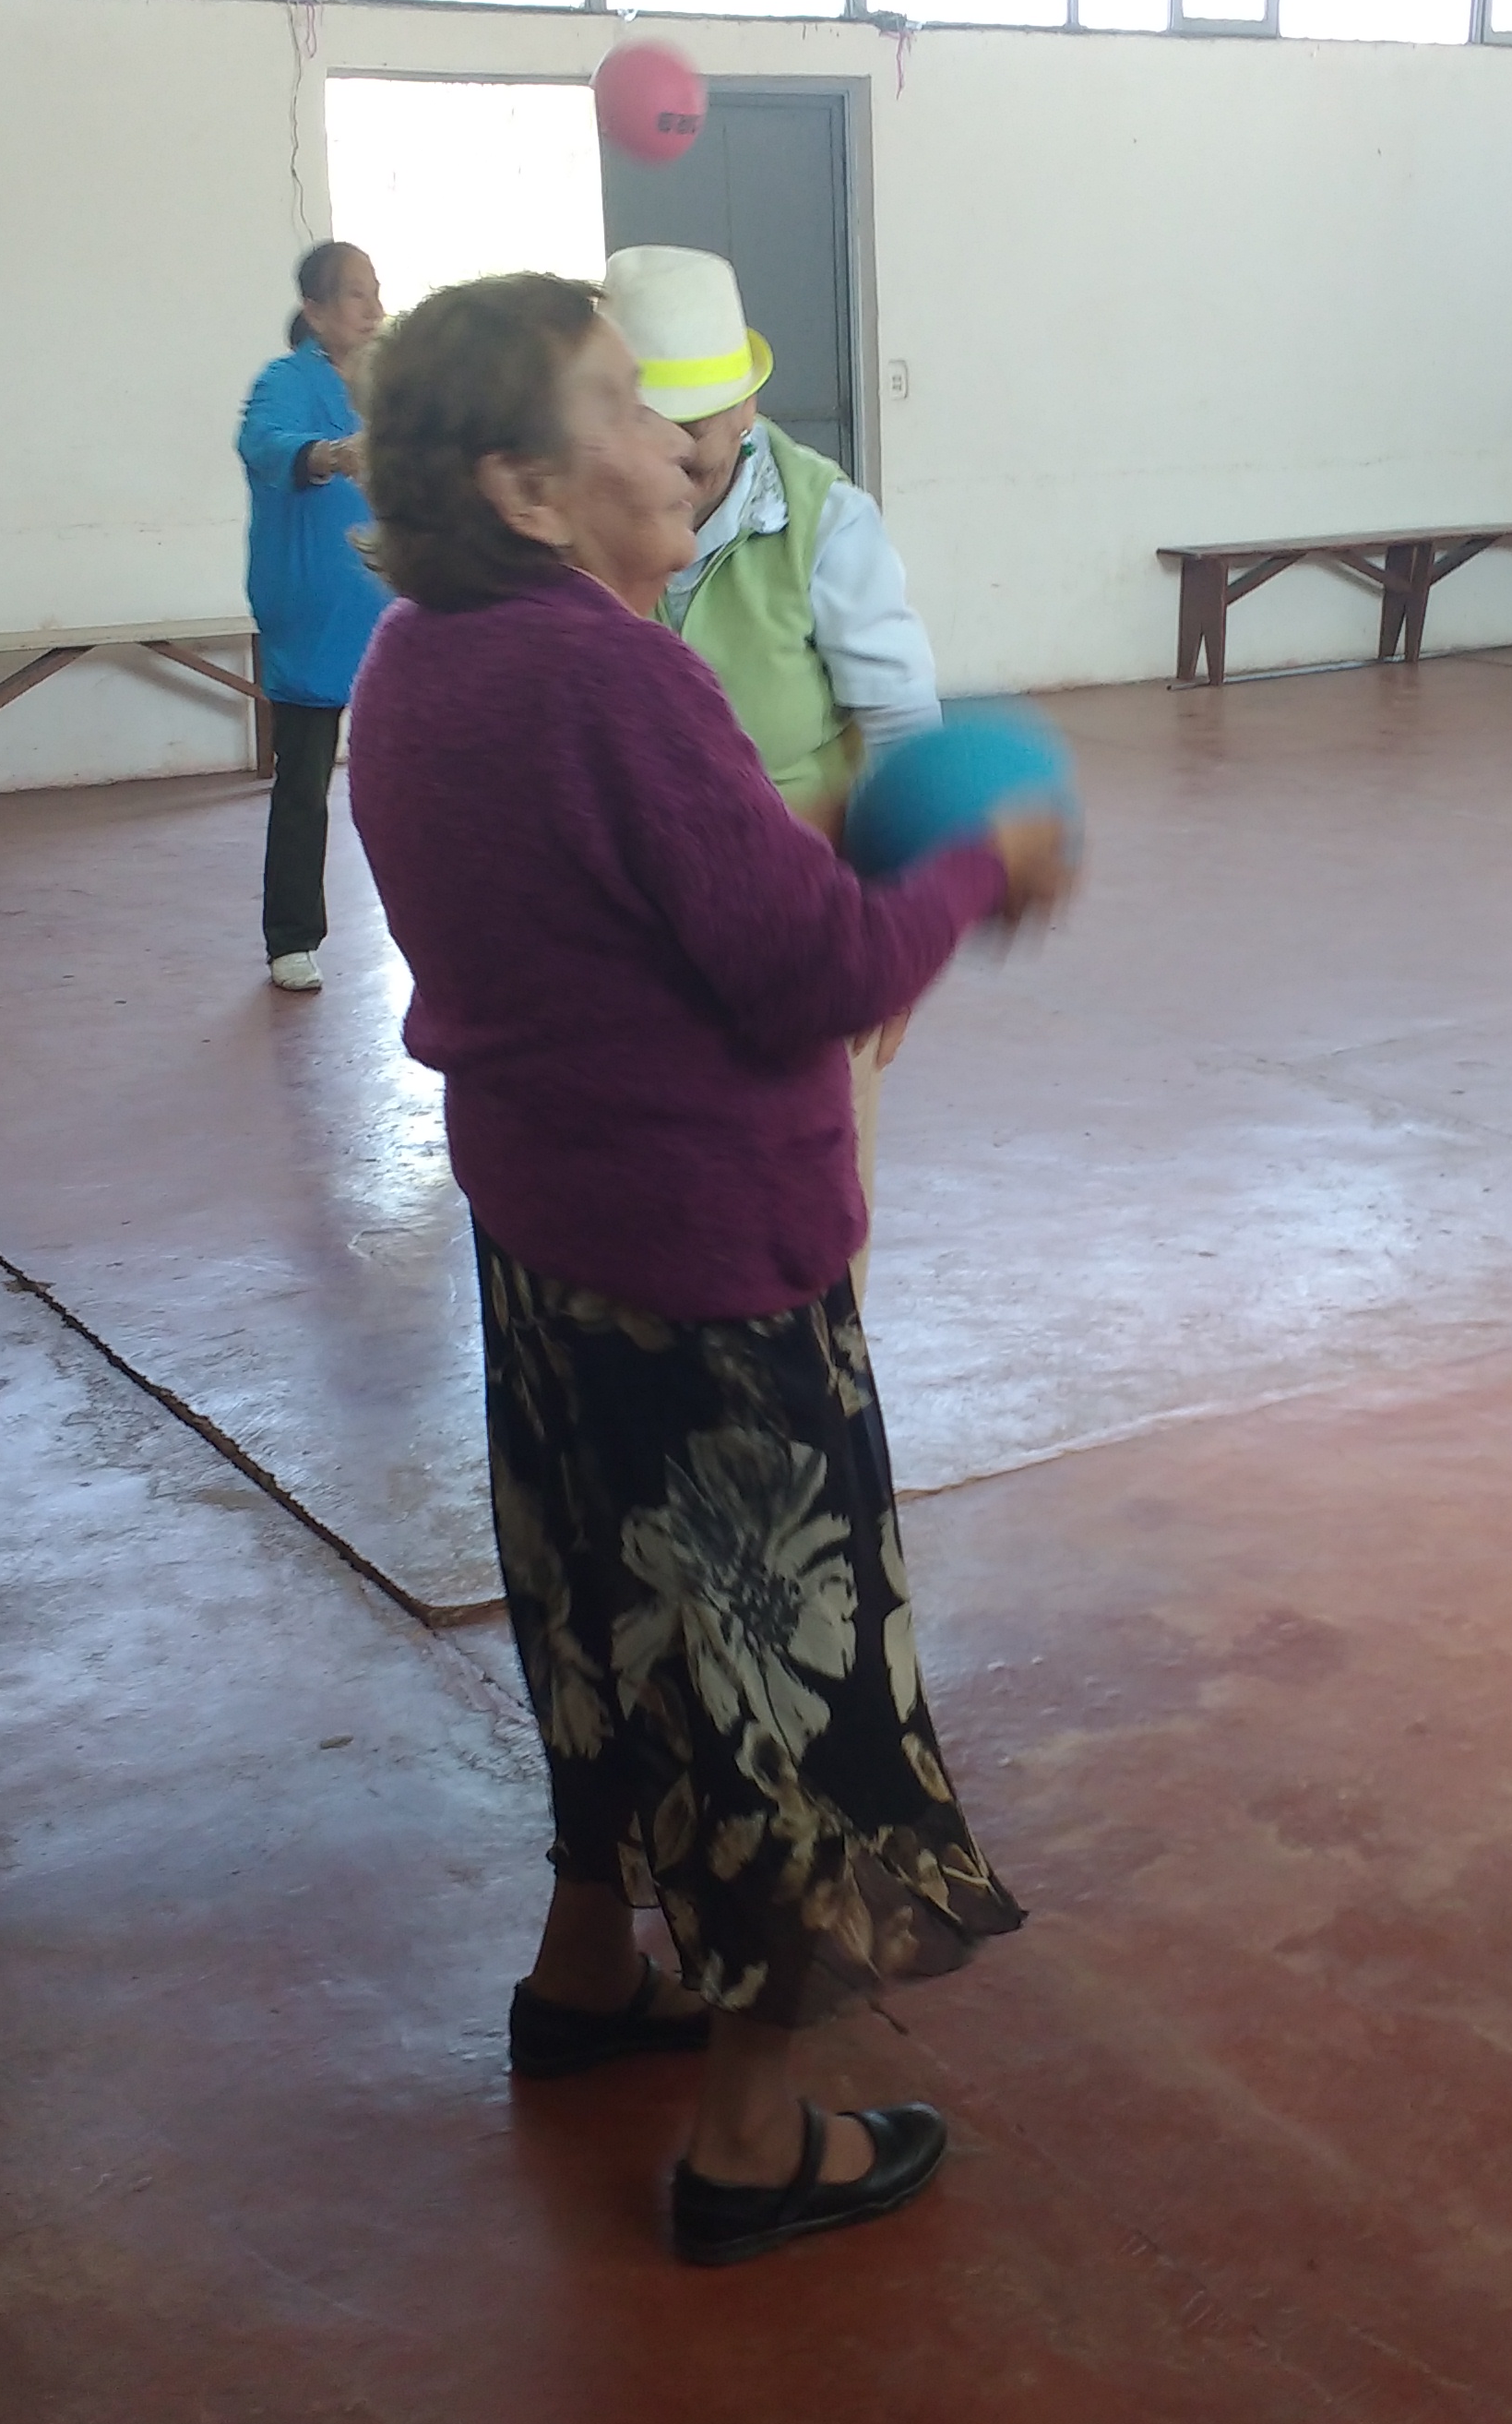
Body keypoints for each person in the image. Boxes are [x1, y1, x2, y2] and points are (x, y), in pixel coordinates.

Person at [344, 273, 1074, 2263]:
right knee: (783, 1686)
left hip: (551, 1242)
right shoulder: (617, 678)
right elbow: (811, 974)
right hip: (708, 1262)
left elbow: (623, 895)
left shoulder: (419, 659)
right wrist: (973, 865)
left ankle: (588, 1967)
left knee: (602, 1616)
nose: (679, 444)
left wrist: (801, 823)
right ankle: (751, 2139)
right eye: (623, 405)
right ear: (525, 485)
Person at [599, 245, 941, 1261]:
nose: (669, 454)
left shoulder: (825, 519)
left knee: (809, 1203)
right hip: (636, 930)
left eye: (694, 429)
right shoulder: (580, 514)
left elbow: (903, 727)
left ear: (746, 408)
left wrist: (891, 940)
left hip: (797, 917)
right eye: (645, 424)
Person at [237, 241, 388, 993]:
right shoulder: (284, 382)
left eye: (375, 290)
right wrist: (328, 454)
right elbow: (266, 444)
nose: (372, 307)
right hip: (314, 608)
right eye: (354, 293)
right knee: (302, 779)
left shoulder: (391, 386)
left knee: (410, 775)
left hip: (393, 606)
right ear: (316, 310)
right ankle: (292, 937)